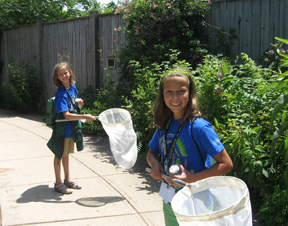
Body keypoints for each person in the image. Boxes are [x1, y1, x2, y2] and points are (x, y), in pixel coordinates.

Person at [146, 68, 233, 225]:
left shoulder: (199, 127)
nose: (175, 97)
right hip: (170, 201)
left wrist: (192, 178)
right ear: (162, 95)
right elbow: (151, 152)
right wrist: (155, 164)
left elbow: (226, 164)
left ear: (190, 94)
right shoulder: (163, 125)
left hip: (198, 202)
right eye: (169, 92)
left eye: (181, 91)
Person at [47, 62, 96, 194]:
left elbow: (72, 104)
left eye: (65, 73)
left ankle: (67, 179)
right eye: (60, 74)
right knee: (58, 154)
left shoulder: (73, 88)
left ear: (70, 72)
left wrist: (77, 102)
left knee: (66, 154)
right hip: (62, 129)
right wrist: (84, 116)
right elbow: (67, 115)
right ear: (57, 77)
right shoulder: (61, 93)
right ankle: (58, 183)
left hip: (69, 130)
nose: (64, 76)